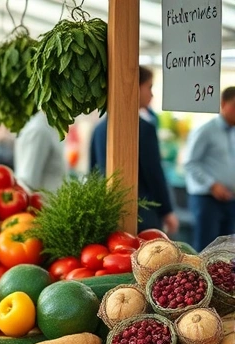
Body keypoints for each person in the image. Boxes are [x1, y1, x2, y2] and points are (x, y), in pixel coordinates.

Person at [89, 67, 178, 235]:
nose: (151, 94)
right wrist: (167, 210)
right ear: (134, 87)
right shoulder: (143, 128)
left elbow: (92, 171)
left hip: (107, 213)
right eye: (149, 87)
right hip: (142, 213)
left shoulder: (99, 128)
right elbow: (154, 173)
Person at [184, 86, 235, 251]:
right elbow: (190, 162)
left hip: (230, 199)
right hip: (207, 199)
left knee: (227, 252)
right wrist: (212, 184)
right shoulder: (205, 130)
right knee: (206, 249)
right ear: (222, 104)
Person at [14, 111, 67, 192]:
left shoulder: (49, 126)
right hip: (44, 203)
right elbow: (27, 182)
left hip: (53, 201)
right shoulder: (39, 130)